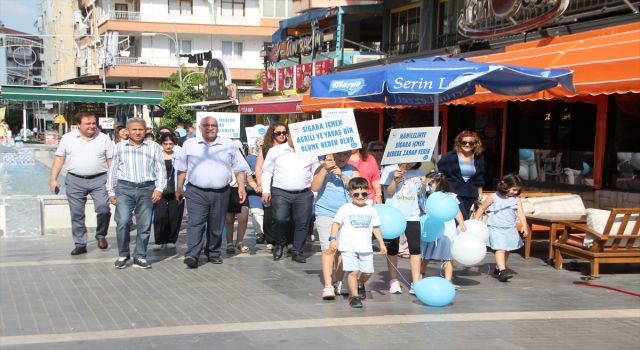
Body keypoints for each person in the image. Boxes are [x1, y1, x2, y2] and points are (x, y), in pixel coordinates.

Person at [176, 116, 249, 268]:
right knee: (195, 223)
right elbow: (182, 168)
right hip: (196, 191)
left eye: (213, 125)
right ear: (200, 128)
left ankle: (213, 252)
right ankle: (192, 254)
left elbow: (239, 168)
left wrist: (241, 187)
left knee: (217, 224)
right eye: (206, 125)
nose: (210, 128)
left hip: (221, 191)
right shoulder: (190, 144)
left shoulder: (229, 144)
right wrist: (179, 187)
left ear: (217, 127)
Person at [49, 112, 114, 255]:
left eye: (93, 123)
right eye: (88, 124)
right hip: (75, 180)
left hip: (100, 179)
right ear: (78, 125)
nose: (92, 126)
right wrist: (53, 179)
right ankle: (80, 244)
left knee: (103, 209)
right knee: (77, 214)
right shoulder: (68, 138)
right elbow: (60, 158)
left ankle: (101, 234)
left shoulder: (104, 138)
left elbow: (111, 161)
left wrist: (113, 182)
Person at [106, 118, 166, 269]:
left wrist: (159, 188)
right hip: (124, 188)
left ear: (146, 130)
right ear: (128, 131)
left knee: (144, 225)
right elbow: (112, 170)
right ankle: (123, 254)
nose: (138, 132)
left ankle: (140, 256)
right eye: (134, 129)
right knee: (123, 222)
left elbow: (160, 169)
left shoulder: (154, 147)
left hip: (147, 188)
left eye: (141, 129)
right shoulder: (119, 147)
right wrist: (111, 191)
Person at [330, 177, 386, 308]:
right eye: (356, 194)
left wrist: (382, 242)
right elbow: (336, 223)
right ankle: (354, 296)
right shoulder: (345, 208)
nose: (360, 197)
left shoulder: (371, 209)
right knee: (353, 271)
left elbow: (375, 227)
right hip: (348, 246)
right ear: (350, 194)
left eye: (364, 194)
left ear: (368, 193)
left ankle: (360, 284)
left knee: (367, 272)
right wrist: (333, 239)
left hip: (365, 247)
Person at [261, 133, 318, 263]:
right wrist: (265, 190)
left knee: (303, 223)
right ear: (288, 136)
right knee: (279, 219)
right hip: (281, 191)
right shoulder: (276, 151)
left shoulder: (310, 151)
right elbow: (267, 171)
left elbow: (315, 172)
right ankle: (280, 244)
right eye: (294, 135)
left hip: (304, 192)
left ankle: (297, 251)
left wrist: (315, 191)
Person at [312, 151, 361, 299]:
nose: (342, 158)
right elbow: (315, 187)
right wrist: (325, 169)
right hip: (325, 212)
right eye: (339, 154)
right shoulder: (321, 168)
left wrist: (342, 175)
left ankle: (339, 281)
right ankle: (328, 285)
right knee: (328, 249)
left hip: (346, 214)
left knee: (341, 250)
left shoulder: (353, 170)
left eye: (346, 155)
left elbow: (358, 190)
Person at [381, 162, 426, 295]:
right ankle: (393, 280)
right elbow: (388, 193)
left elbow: (421, 195)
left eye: (414, 160)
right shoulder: (389, 169)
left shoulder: (420, 172)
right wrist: (395, 179)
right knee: (393, 249)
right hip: (393, 215)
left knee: (415, 248)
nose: (410, 163)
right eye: (408, 160)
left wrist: (425, 185)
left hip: (412, 215)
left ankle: (416, 281)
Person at [474, 173, 528, 282]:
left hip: (510, 227)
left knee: (507, 249)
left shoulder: (516, 199)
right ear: (505, 186)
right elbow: (481, 208)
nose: (515, 192)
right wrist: (475, 222)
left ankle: (499, 267)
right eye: (513, 189)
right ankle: (503, 271)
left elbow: (520, 213)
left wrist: (524, 226)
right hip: (495, 227)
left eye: (517, 190)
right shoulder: (494, 197)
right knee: (500, 249)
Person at [420, 171, 467, 289]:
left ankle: (448, 280)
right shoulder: (427, 196)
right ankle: (420, 274)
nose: (429, 186)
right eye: (427, 183)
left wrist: (461, 223)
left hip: (448, 228)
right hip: (433, 228)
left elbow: (456, 211)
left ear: (439, 182)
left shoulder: (450, 196)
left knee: (448, 255)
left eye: (430, 183)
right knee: (427, 254)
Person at [254, 122, 290, 250]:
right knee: (270, 213)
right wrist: (260, 183)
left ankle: (287, 239)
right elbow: (258, 168)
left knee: (285, 213)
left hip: (285, 183)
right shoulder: (264, 149)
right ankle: (271, 239)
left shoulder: (291, 148)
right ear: (272, 134)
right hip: (269, 183)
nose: (282, 135)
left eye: (284, 132)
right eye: (278, 133)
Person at [437, 130, 485, 220]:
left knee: (464, 216)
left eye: (471, 143)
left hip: (470, 192)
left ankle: (458, 233)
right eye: (464, 142)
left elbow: (479, 176)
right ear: (459, 143)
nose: (467, 145)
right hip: (453, 190)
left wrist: (480, 191)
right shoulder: (451, 156)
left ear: (476, 144)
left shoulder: (479, 157)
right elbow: (439, 171)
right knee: (461, 217)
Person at [152, 132, 183, 250]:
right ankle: (159, 240)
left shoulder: (179, 156)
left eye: (171, 144)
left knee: (175, 214)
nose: (168, 146)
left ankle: (171, 239)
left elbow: (183, 173)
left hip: (175, 188)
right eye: (165, 144)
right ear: (161, 144)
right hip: (159, 189)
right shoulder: (157, 156)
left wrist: (182, 189)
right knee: (160, 214)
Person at [349, 137, 382, 205]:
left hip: (367, 198)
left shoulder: (370, 158)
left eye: (353, 141)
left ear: (361, 142)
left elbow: (375, 179)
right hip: (348, 198)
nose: (350, 143)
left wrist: (378, 195)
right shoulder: (341, 159)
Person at [245, 141, 264, 246]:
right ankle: (259, 234)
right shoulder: (249, 158)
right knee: (257, 212)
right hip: (254, 189)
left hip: (269, 188)